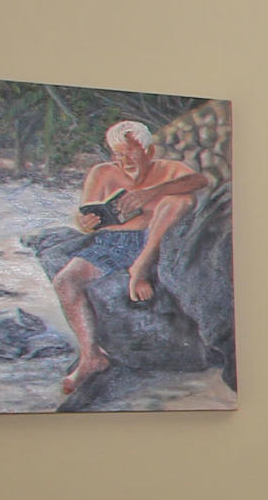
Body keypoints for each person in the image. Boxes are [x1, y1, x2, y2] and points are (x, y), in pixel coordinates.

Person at [54, 119, 212, 397]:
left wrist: (150, 192)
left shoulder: (167, 169)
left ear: (148, 151)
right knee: (65, 280)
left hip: (151, 241)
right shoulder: (102, 173)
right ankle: (91, 356)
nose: (123, 160)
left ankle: (140, 269)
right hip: (111, 242)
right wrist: (86, 222)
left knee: (180, 200)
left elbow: (200, 180)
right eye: (118, 154)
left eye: (130, 153)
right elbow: (85, 217)